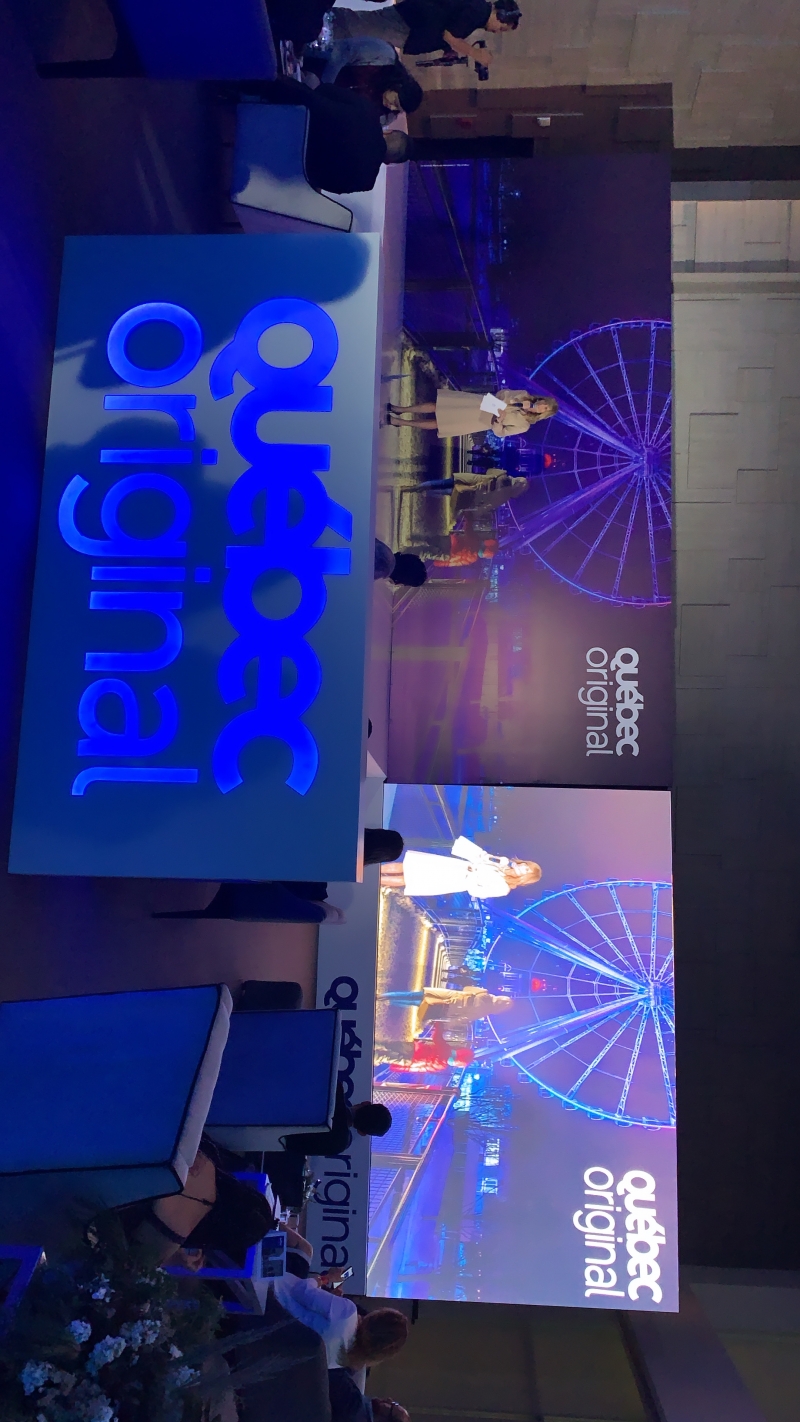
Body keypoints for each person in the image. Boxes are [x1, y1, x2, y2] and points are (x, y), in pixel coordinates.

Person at [154, 829, 405, 923]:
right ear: (378, 858)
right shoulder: (347, 867)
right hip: (264, 883)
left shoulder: (338, 828)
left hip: (257, 845)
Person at [254, 76, 413, 194]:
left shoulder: (368, 112)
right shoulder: (365, 182)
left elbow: (325, 90)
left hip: (280, 108)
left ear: (388, 131)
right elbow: (323, 183)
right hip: (273, 166)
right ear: (388, 162)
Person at [271, 1272, 409, 1380]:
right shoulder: (342, 1361)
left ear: (376, 1317)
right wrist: (329, 1298)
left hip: (271, 1291)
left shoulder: (348, 1313)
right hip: (270, 1331)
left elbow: (301, 1290)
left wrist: (326, 1278)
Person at [332, 0, 522, 67]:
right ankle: (324, 21)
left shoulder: (476, 13)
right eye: (501, 28)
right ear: (500, 15)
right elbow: (448, 34)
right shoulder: (478, 11)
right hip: (407, 25)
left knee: (361, 27)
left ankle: (326, 23)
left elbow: (449, 25)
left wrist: (449, 49)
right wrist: (475, 53)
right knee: (358, 26)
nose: (497, 32)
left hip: (410, 26)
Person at [380, 833, 541, 898]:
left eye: (526, 870)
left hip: (456, 880)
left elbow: (478, 892)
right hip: (455, 866)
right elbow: (483, 857)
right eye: (526, 865)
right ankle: (375, 870)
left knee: (410, 880)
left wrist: (472, 877)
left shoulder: (503, 888)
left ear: (525, 878)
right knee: (409, 865)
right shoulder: (503, 863)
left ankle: (376, 880)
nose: (523, 867)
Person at [283, 1081, 392, 1157]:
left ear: (365, 1103)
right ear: (362, 1132)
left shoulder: (334, 1087)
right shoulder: (338, 1144)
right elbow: (291, 1147)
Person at [389, 390, 557, 438]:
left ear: (544, 414)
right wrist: (514, 402)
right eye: (544, 403)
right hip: (481, 404)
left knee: (442, 424)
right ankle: (401, 409)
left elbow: (501, 433)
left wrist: (499, 421)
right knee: (439, 406)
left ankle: (402, 422)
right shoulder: (524, 395)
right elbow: (502, 393)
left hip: (482, 420)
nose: (541, 406)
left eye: (545, 409)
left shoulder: (524, 425)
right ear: (542, 399)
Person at [321, 40, 424, 117]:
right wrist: (324, 88)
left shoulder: (383, 108)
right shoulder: (385, 55)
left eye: (397, 109)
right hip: (323, 63)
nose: (391, 108)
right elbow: (341, 52)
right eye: (395, 103)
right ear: (398, 86)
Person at [381, 984, 513, 1029]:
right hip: (446, 1008)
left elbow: (466, 988)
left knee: (414, 995)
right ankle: (390, 1002)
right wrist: (449, 1023)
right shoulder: (483, 1013)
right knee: (416, 1004)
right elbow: (464, 1018)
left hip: (449, 996)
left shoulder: (484, 993)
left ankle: (384, 996)